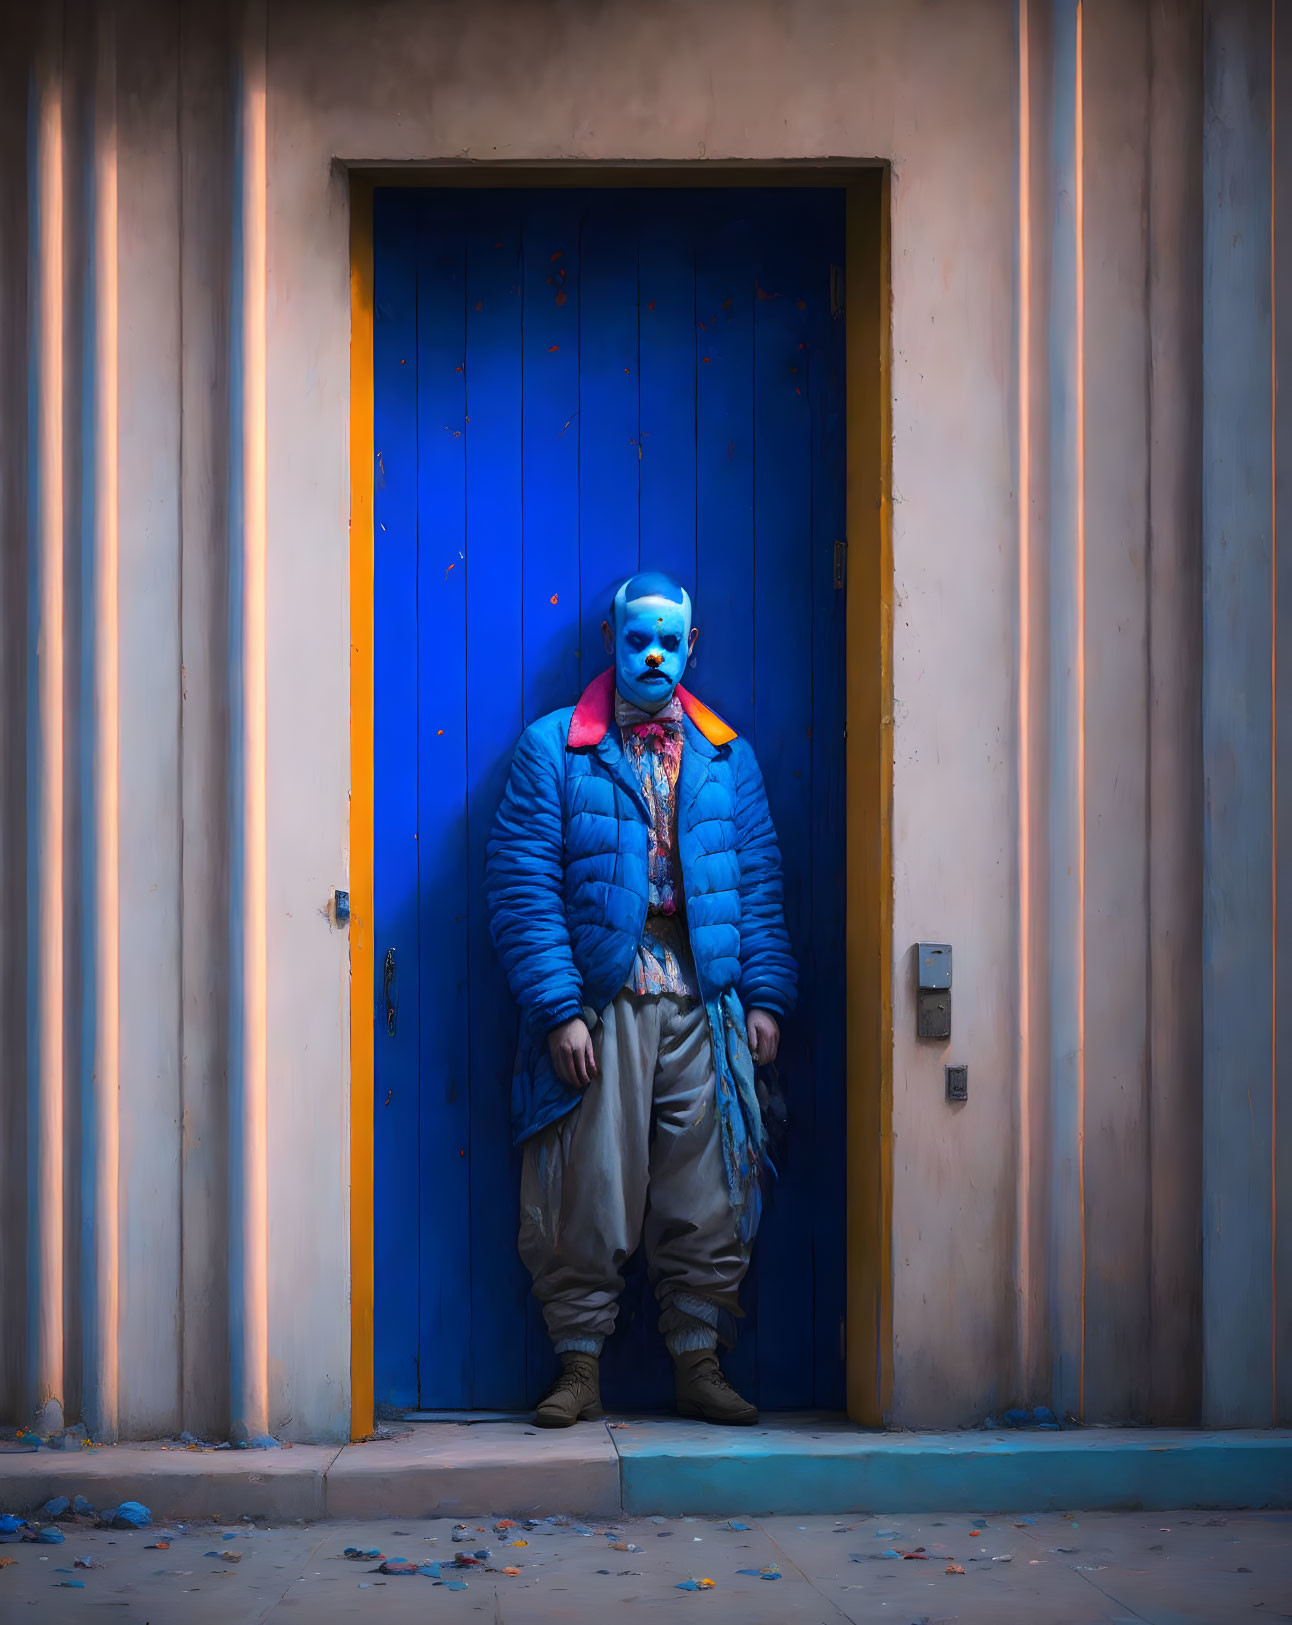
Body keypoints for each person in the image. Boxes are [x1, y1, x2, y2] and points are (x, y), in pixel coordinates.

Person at [484, 571, 796, 1427]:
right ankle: (578, 1364)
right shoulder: (555, 750)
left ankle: (699, 1359)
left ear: (692, 646)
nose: (652, 653)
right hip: (602, 1001)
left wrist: (764, 997)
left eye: (669, 639)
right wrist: (557, 1009)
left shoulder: (727, 758)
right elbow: (522, 887)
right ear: (612, 643)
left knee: (710, 1185)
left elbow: (758, 883)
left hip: (707, 999)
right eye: (636, 639)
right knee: (588, 1180)